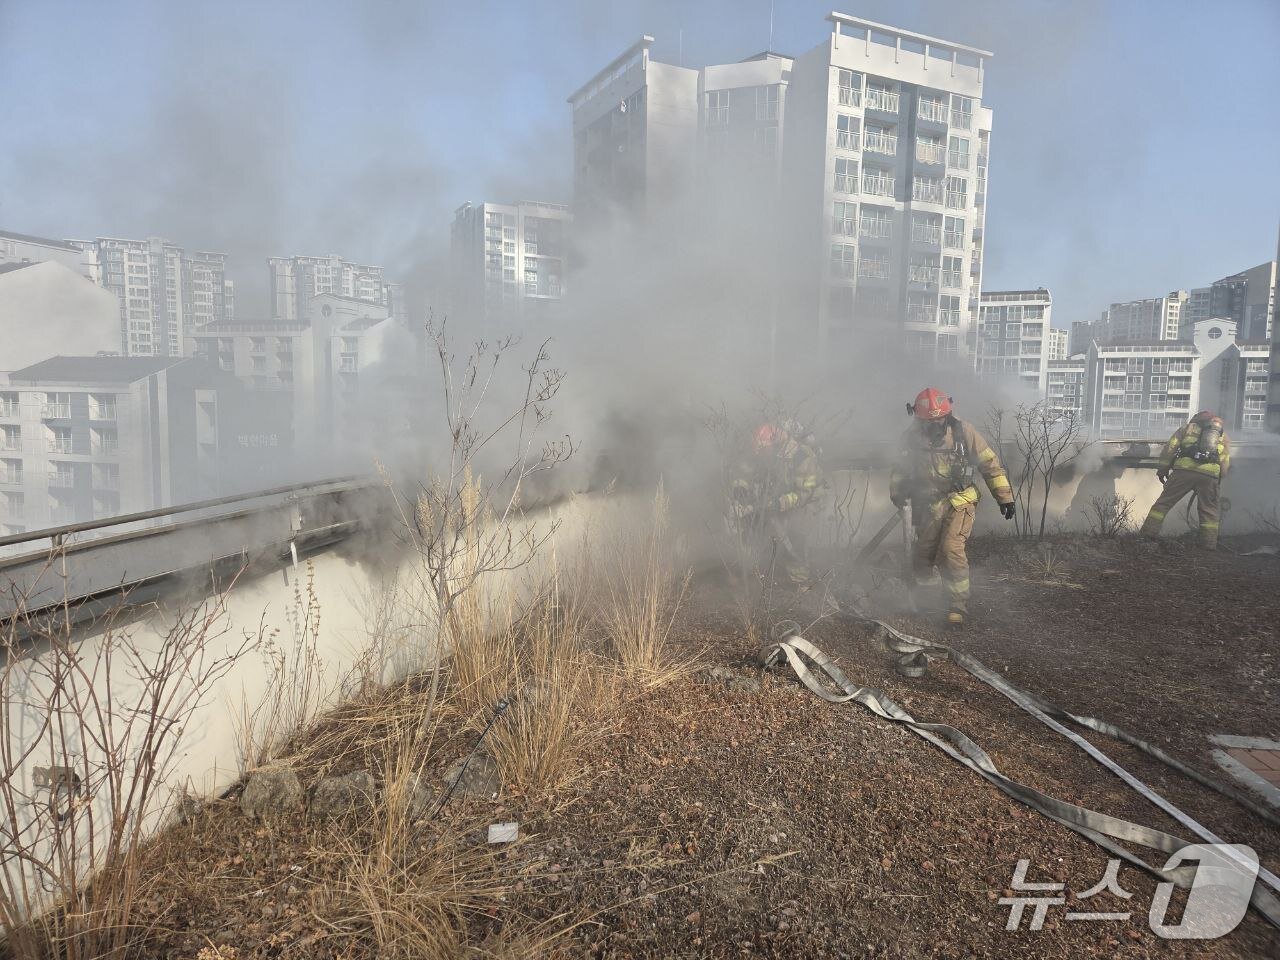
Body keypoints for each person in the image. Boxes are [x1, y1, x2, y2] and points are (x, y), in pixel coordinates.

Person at [889, 388, 1015, 626]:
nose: (935, 424)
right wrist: (898, 492)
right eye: (929, 421)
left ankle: (957, 605)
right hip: (929, 504)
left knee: (950, 549)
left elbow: (989, 463)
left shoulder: (963, 432)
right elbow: (900, 469)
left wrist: (1005, 497)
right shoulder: (910, 438)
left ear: (947, 415)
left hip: (960, 500)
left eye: (939, 419)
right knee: (923, 556)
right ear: (918, 418)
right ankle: (926, 601)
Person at [731, 420, 822, 584]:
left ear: (776, 445)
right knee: (753, 523)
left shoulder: (802, 457)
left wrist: (778, 504)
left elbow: (805, 493)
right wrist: (740, 491)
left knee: (794, 537)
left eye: (763, 450)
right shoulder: (765, 454)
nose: (760, 454)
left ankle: (800, 581)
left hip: (804, 503)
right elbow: (744, 472)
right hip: (774, 499)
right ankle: (752, 569)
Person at [1140, 410, 1230, 549]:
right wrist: (1218, 478)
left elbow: (1170, 448)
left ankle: (1147, 535)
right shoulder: (1222, 436)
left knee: (1163, 504)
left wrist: (1162, 470)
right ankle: (1209, 545)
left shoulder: (1187, 428)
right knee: (1209, 511)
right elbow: (1225, 461)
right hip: (1210, 476)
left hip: (1184, 472)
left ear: (1196, 419)